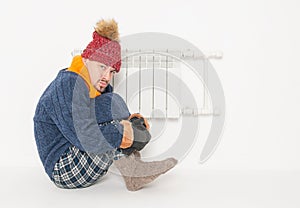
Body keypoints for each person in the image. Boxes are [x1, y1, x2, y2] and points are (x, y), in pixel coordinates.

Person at [33, 19, 177, 191]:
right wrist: (123, 133)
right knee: (112, 112)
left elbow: (109, 116)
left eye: (111, 71)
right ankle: (134, 171)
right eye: (102, 67)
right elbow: (82, 137)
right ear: (86, 60)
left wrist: (132, 122)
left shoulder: (97, 86)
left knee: (112, 105)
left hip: (81, 160)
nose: (107, 76)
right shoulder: (68, 83)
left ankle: (133, 172)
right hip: (63, 168)